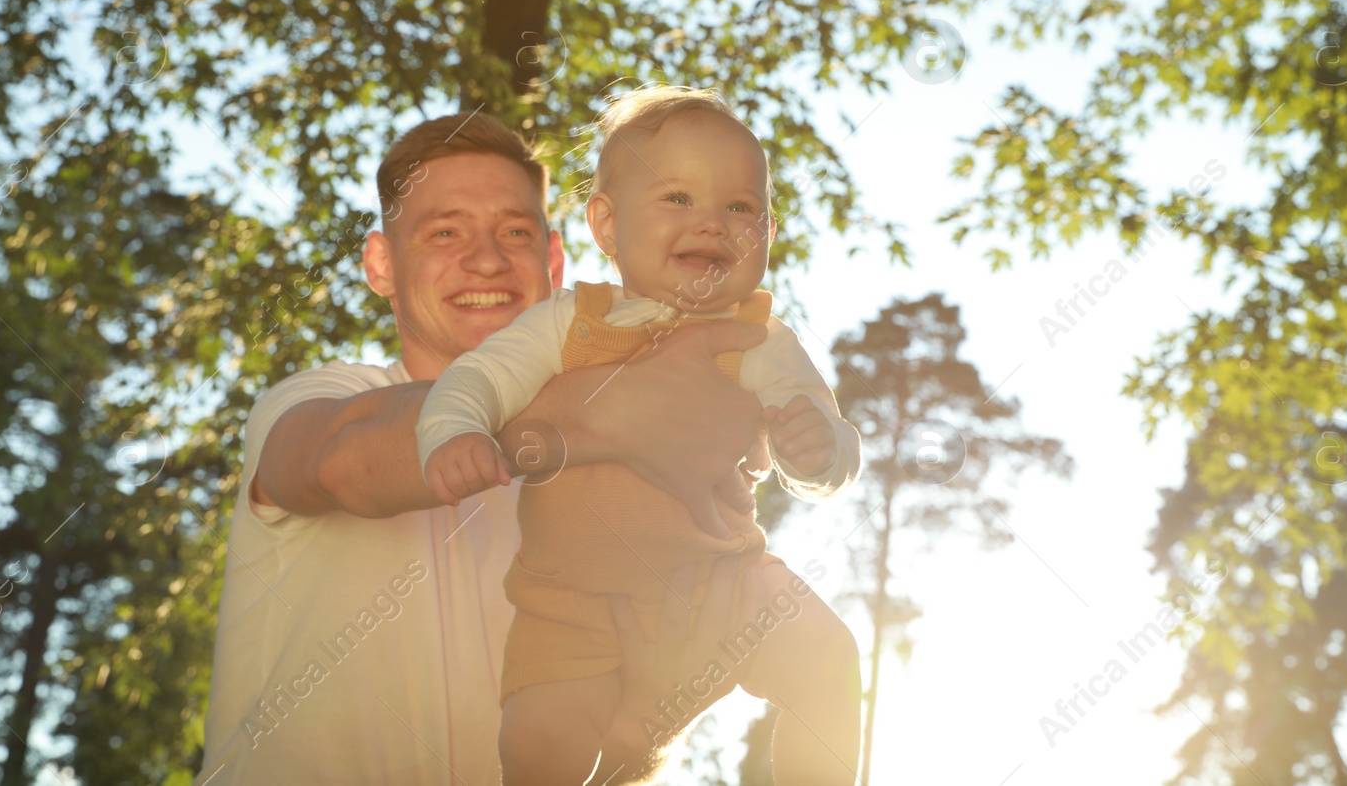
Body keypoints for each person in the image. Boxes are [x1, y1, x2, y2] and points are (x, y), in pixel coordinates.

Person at [198, 111, 856, 784]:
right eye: (444, 231)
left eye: (515, 231)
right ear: (381, 263)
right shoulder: (324, 394)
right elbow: (342, 460)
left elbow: (608, 760)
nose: (486, 258)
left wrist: (650, 729)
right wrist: (607, 410)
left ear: (554, 260)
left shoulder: (632, 488)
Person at [419, 86, 864, 786]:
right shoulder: (568, 322)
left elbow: (829, 439)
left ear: (768, 234)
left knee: (830, 659)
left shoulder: (759, 339)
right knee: (539, 744)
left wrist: (818, 451)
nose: (713, 222)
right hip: (570, 607)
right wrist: (452, 434)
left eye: (740, 207)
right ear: (605, 222)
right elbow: (479, 380)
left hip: (724, 583)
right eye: (677, 198)